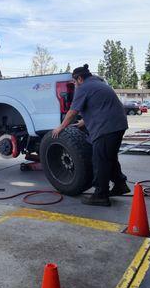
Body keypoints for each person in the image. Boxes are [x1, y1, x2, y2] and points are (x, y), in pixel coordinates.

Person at [52, 64, 130, 206]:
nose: (74, 85)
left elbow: (72, 111)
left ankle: (101, 195)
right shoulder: (98, 84)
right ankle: (120, 185)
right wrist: (84, 121)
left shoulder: (83, 88)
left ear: (80, 79)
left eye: (74, 82)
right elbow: (101, 106)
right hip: (118, 125)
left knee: (100, 161)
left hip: (106, 128)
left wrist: (61, 127)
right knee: (109, 157)